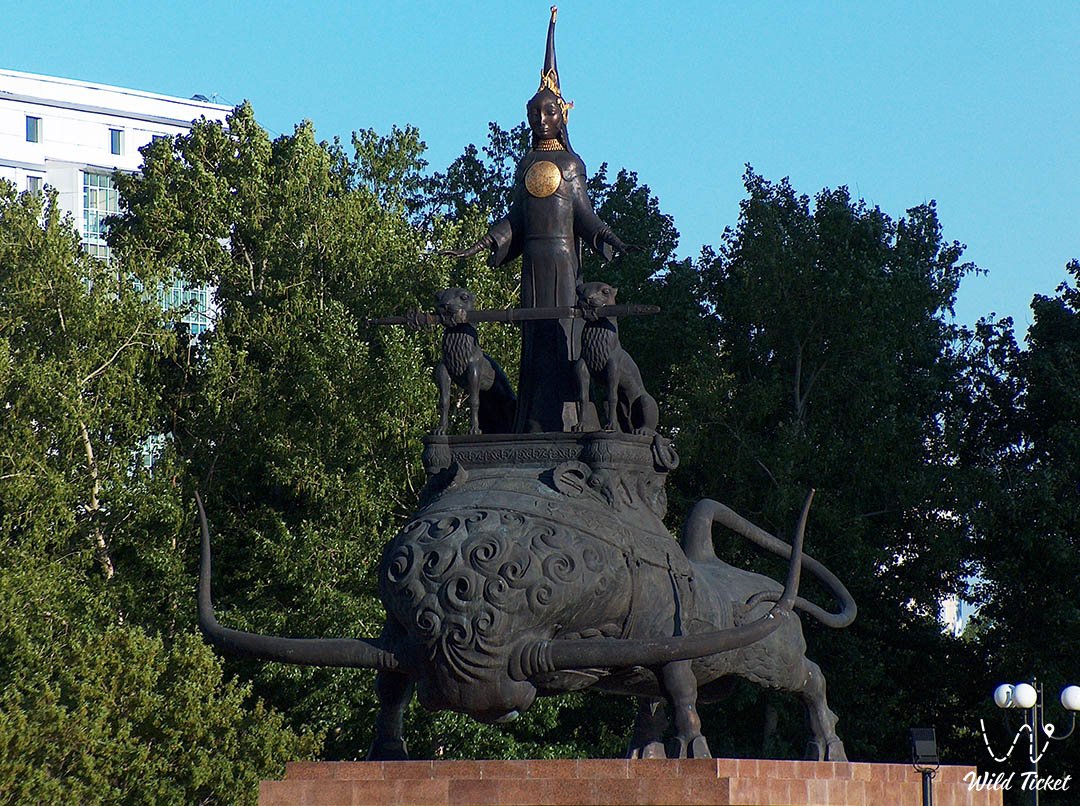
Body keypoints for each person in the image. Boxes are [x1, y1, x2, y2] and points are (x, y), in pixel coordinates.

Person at [443, 7, 633, 432]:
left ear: (561, 115)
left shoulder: (570, 164)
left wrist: (614, 241)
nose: (539, 120)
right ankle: (532, 418)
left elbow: (584, 215)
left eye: (547, 112)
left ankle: (571, 418)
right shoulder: (526, 164)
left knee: (565, 333)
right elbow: (516, 219)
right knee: (534, 339)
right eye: (534, 113)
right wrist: (482, 244)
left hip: (564, 263)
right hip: (533, 262)